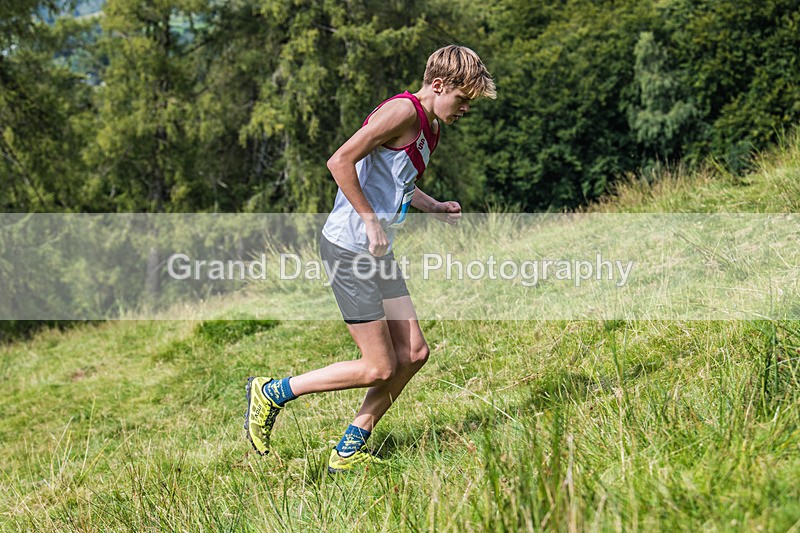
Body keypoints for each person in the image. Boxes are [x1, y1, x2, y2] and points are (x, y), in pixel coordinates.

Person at [245, 44, 496, 473]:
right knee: (379, 366)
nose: (466, 109)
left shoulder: (430, 125)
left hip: (376, 251)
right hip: (349, 248)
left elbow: (396, 183)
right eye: (463, 99)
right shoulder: (404, 112)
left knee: (414, 353)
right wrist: (369, 220)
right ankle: (272, 391)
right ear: (439, 85)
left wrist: (433, 206)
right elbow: (339, 160)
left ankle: (349, 447)